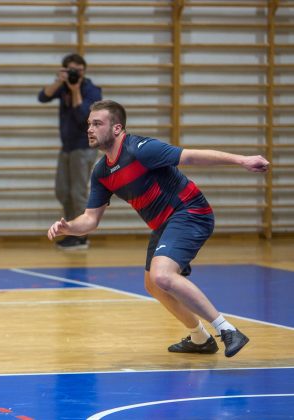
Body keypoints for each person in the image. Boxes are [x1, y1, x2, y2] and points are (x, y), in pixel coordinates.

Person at [48, 100, 270, 358]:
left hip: (190, 212)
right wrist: (69, 227)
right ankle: (200, 338)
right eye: (89, 124)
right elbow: (90, 219)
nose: (90, 129)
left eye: (97, 123)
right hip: (164, 224)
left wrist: (242, 160)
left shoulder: (141, 149)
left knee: (162, 276)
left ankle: (227, 330)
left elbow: (191, 156)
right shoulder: (101, 172)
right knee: (154, 285)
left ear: (117, 128)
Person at [39, 53, 102, 250]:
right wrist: (60, 81)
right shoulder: (63, 86)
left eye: (80, 71)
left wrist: (75, 91)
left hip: (84, 147)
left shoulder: (92, 90)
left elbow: (84, 117)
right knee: (63, 191)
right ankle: (71, 231)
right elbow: (43, 97)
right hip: (67, 147)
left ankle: (81, 237)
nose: (77, 74)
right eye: (72, 70)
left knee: (78, 192)